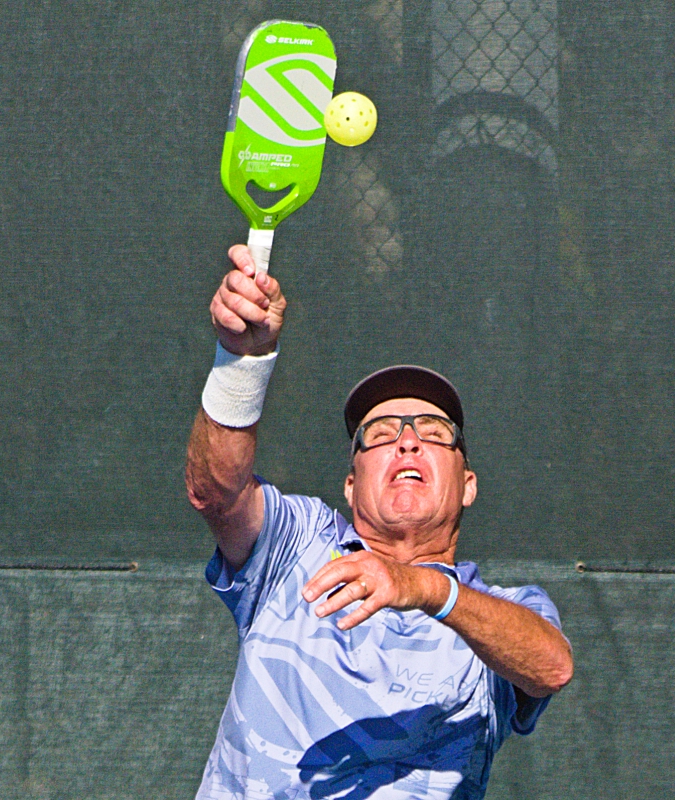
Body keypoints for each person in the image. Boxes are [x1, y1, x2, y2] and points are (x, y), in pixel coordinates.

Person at [185, 244, 574, 799]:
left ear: (468, 485)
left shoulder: (505, 612)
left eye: (434, 433)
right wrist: (240, 363)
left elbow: (552, 667)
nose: (409, 440)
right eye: (382, 433)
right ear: (350, 484)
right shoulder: (298, 545)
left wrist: (419, 586)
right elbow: (215, 492)